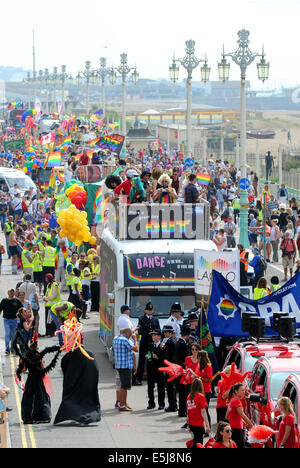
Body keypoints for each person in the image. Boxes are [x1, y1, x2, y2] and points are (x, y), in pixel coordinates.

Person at [13, 333, 61, 424]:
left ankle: (27, 417)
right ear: (36, 348)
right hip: (38, 380)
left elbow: (23, 369)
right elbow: (42, 368)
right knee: (40, 397)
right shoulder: (39, 357)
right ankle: (40, 416)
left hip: (30, 379)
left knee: (28, 398)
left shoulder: (26, 356)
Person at [113, 328, 139, 412]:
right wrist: (135, 340)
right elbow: (136, 349)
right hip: (125, 366)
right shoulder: (124, 340)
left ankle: (124, 403)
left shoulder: (116, 338)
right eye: (131, 334)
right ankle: (122, 405)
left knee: (124, 386)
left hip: (119, 365)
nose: (131, 335)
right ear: (127, 333)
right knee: (124, 386)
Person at [136, 302, 161, 385]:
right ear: (145, 310)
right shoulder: (141, 318)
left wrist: (155, 335)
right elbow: (139, 331)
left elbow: (158, 330)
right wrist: (147, 334)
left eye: (151, 310)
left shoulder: (155, 319)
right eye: (148, 310)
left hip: (152, 343)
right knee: (142, 361)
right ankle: (138, 378)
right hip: (144, 342)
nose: (150, 311)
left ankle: (153, 378)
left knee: (151, 360)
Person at [226, 383, 253, 449]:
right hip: (237, 430)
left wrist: (241, 421)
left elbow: (227, 417)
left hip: (232, 429)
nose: (244, 392)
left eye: (244, 390)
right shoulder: (237, 401)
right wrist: (251, 425)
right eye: (242, 390)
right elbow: (242, 415)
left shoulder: (231, 400)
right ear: (236, 391)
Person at [186, 378, 210, 448]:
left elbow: (188, 411)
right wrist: (207, 425)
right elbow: (203, 412)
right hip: (198, 423)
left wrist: (188, 423)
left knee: (195, 441)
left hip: (191, 423)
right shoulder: (201, 396)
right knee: (199, 444)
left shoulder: (189, 396)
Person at [146, 329, 165, 410]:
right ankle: (151, 403)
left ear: (159, 337)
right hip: (151, 368)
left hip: (159, 368)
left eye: (155, 335)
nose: (153, 337)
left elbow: (165, 358)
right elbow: (149, 354)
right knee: (150, 387)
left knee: (160, 387)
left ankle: (161, 404)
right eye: (152, 335)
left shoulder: (162, 346)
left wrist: (158, 358)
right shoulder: (150, 345)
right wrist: (149, 357)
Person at [0, 289, 23, 355]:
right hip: (6, 320)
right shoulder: (4, 301)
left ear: (14, 293)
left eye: (12, 292)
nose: (11, 293)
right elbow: (0, 309)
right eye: (10, 292)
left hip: (14, 320)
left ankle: (12, 348)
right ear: (8, 293)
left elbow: (21, 309)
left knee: (13, 335)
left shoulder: (16, 301)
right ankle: (7, 349)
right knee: (7, 333)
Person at [161, 324, 177, 412]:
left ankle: (173, 405)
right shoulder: (168, 341)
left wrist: (163, 348)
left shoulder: (171, 342)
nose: (165, 334)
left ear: (171, 333)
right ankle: (172, 404)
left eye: (167, 332)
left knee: (171, 387)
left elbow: (169, 355)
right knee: (169, 387)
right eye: (165, 332)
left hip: (170, 366)